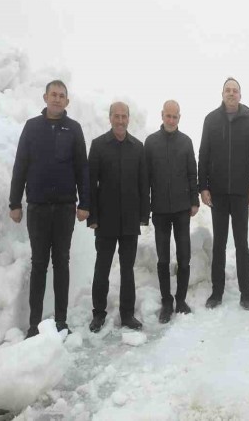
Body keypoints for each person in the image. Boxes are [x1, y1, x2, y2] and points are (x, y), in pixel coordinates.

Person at [9, 80, 90, 339]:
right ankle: (34, 324)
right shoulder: (32, 127)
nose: (57, 99)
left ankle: (61, 321)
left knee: (62, 263)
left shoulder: (74, 129)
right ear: (45, 97)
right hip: (38, 208)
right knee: (39, 264)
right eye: (53, 94)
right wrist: (14, 203)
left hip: (65, 208)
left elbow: (82, 168)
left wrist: (84, 203)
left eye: (61, 96)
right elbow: (20, 165)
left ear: (67, 101)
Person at [198, 77, 249, 311]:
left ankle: (246, 293)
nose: (231, 93)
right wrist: (203, 187)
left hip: (241, 193)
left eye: (235, 90)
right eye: (228, 90)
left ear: (240, 95)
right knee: (219, 245)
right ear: (222, 94)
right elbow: (203, 154)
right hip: (218, 194)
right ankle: (217, 292)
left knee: (242, 244)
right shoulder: (211, 120)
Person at [86, 101, 149, 333]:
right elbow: (90, 184)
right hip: (105, 220)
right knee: (102, 268)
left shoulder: (138, 147)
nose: (120, 120)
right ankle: (98, 313)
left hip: (130, 220)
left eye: (124, 116)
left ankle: (127, 314)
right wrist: (92, 216)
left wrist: (144, 215)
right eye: (117, 116)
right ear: (110, 118)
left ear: (128, 119)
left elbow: (143, 184)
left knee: (127, 269)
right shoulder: (98, 145)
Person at [145, 100, 200, 324]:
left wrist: (194, 201)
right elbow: (145, 177)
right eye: (168, 115)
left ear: (179, 118)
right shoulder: (151, 142)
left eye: (175, 116)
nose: (171, 120)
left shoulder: (186, 142)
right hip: (159, 210)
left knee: (184, 257)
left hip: (181, 209)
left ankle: (181, 299)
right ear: (162, 115)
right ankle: (166, 302)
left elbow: (192, 173)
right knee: (163, 259)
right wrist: (145, 206)